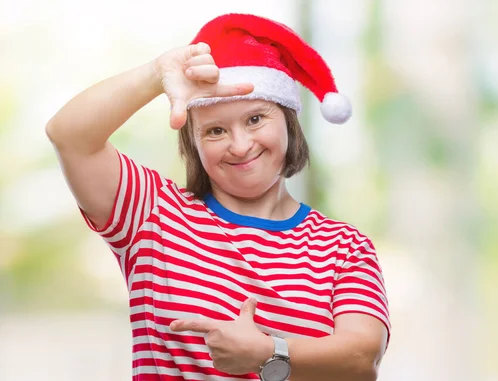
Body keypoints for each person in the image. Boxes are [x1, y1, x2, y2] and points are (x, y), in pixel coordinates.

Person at [46, 13, 390, 381]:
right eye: (215, 130)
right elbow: (69, 136)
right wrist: (156, 74)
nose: (240, 146)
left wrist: (268, 354)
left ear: (289, 121)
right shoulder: (153, 214)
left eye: (256, 119)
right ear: (193, 143)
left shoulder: (344, 246)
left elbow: (361, 359)